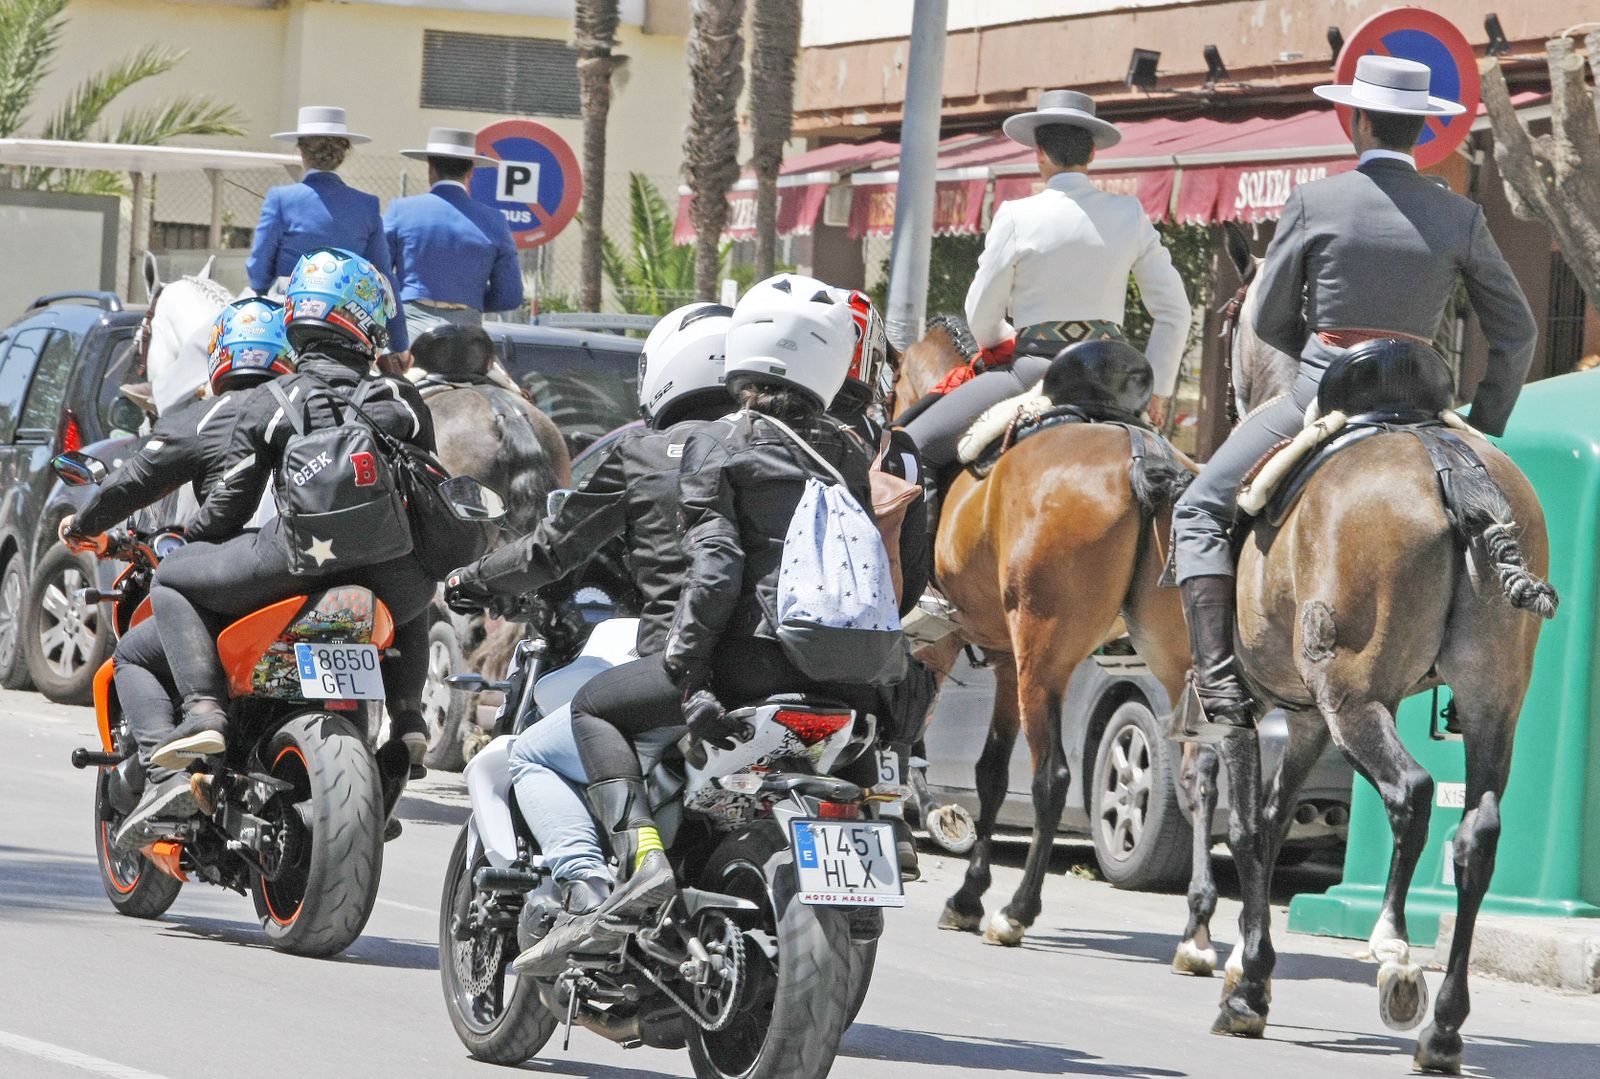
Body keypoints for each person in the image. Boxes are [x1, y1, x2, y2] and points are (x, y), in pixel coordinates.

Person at [506, 274, 876, 973]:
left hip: (747, 665)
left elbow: (715, 572)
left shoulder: (719, 441)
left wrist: (687, 669)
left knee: (592, 709)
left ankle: (638, 861)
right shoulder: (847, 451)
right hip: (838, 675)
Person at [1170, 55, 1537, 730]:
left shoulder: (1315, 201)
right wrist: (1484, 425)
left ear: (1359, 123)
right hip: (1427, 407)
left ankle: (1219, 686)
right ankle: (1473, 677)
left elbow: (1269, 319)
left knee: (1196, 508)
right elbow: (1518, 331)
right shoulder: (1460, 216)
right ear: (1421, 131)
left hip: (1319, 392)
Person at [444, 302, 735, 956]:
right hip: (786, 680)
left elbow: (553, 549)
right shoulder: (781, 447)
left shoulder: (646, 451)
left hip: (683, 672)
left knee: (536, 749)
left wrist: (478, 577)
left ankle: (593, 883)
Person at [145, 247, 437, 779]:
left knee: (170, 579)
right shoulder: (404, 396)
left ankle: (204, 711)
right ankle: (408, 717)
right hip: (395, 580)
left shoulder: (273, 399)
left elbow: (230, 503)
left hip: (296, 561)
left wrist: (194, 543)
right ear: (364, 321)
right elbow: (426, 490)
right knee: (415, 590)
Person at [60, 298, 295, 848]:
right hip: (323, 571)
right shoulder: (313, 405)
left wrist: (83, 525)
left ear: (218, 358)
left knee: (134, 655)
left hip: (242, 578)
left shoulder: (210, 415)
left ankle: (169, 775)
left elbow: (132, 483)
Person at [904, 89, 1191, 475]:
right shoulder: (1129, 213)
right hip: (1113, 383)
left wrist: (999, 342)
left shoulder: (1016, 215)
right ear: (1092, 153)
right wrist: (1154, 386)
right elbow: (1175, 310)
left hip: (1033, 371)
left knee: (912, 445)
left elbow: (980, 314)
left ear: (1039, 152)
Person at [247, 105, 409, 353]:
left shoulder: (280, 199)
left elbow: (258, 270)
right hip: (349, 324)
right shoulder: (367, 205)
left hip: (288, 321)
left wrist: (262, 290)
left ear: (301, 151)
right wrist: (398, 345)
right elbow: (384, 277)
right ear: (343, 154)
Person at [384, 127, 524, 343]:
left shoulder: (400, 211)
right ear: (470, 173)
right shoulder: (495, 221)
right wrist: (470, 296)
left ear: (430, 169)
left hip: (410, 329)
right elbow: (509, 296)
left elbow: (378, 273)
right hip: (468, 333)